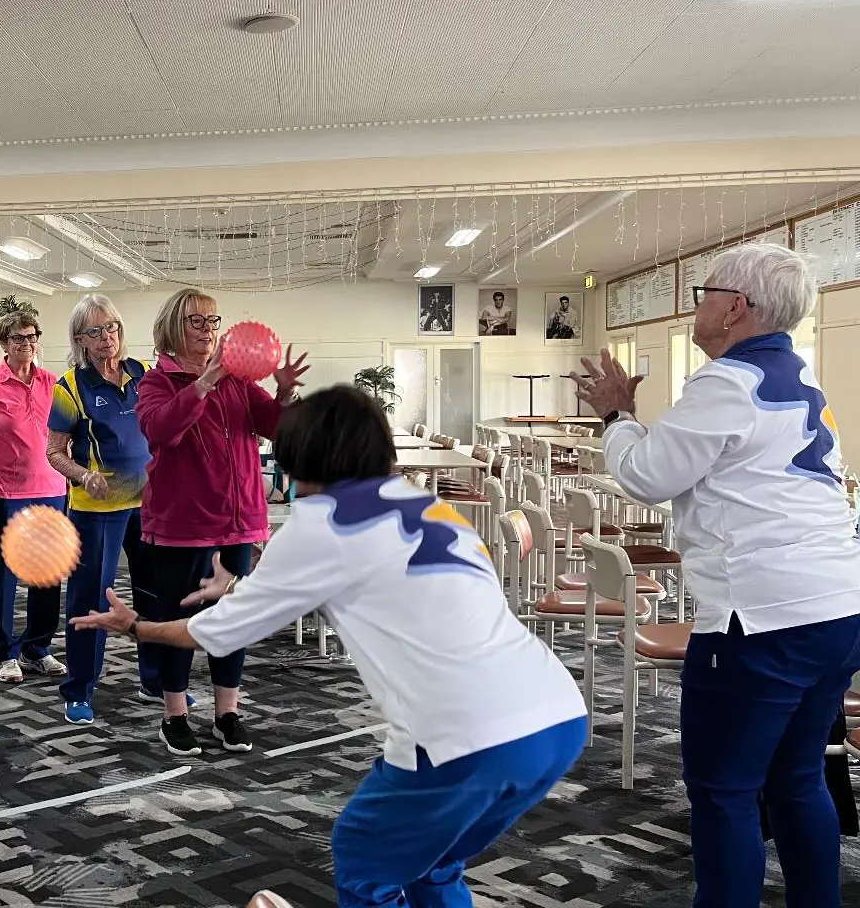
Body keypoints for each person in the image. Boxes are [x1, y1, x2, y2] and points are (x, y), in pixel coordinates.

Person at [72, 384, 587, 908]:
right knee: (430, 863)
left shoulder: (320, 524)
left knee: (363, 856)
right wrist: (236, 590)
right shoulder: (426, 504)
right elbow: (366, 578)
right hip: (556, 716)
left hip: (464, 735)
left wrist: (137, 627)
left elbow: (215, 632)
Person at [571, 242, 860, 908]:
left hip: (764, 621)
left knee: (725, 791)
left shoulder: (726, 382)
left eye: (701, 293)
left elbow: (646, 476)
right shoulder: (804, 383)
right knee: (797, 779)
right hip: (837, 609)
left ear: (733, 309)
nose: (694, 305)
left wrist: (615, 416)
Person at [136, 288, 308, 756]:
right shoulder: (156, 383)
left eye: (214, 322)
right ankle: (174, 715)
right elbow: (160, 431)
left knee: (233, 618)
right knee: (180, 620)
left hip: (239, 521)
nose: (210, 331)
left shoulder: (237, 381)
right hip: (182, 525)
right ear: (174, 326)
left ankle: (226, 712)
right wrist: (203, 384)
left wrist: (285, 392)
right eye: (198, 322)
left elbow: (275, 426)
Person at [45, 295, 158, 723]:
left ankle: (155, 680)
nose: (107, 337)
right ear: (80, 340)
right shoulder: (69, 388)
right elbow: (53, 452)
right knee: (91, 598)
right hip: (98, 508)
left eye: (112, 327)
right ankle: (78, 689)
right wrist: (81, 475)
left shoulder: (141, 373)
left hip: (148, 505)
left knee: (154, 594)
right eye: (96, 331)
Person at [0, 310, 70, 683]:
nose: (26, 344)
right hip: (7, 492)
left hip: (52, 490)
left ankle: (37, 648)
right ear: (4, 344)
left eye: (31, 337)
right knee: (3, 577)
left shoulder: (52, 382)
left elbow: (65, 437)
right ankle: (5, 651)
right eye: (18, 339)